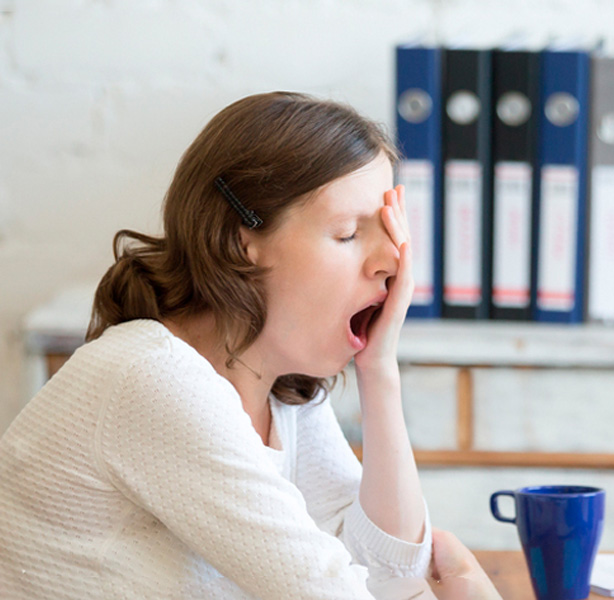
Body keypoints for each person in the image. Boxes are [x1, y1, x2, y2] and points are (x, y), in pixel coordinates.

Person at [0, 91, 499, 600]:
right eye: (348, 233)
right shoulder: (155, 379)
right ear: (241, 240)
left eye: (388, 233)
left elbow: (387, 575)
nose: (390, 263)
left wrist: (380, 369)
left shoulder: (277, 388)